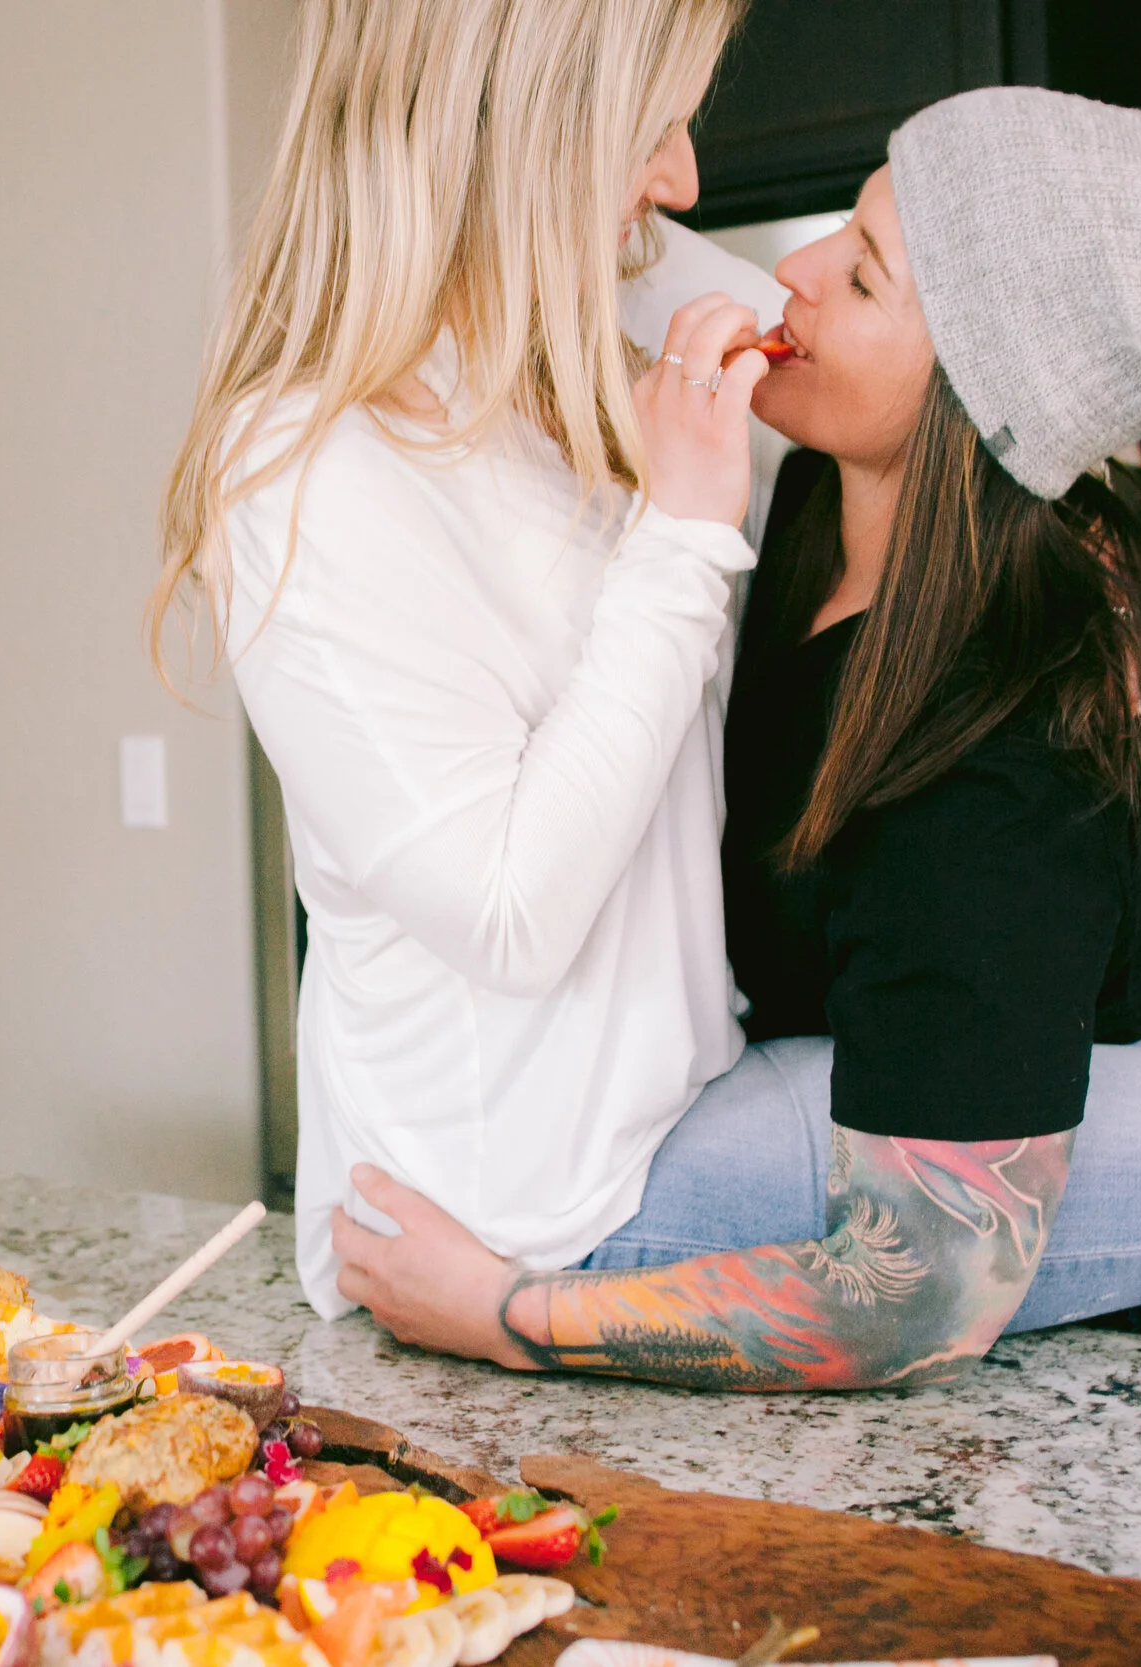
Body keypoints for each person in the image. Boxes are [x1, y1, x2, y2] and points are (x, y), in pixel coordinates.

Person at [329, 87, 1141, 1388]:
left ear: (970, 411)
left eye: (867, 278)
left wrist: (509, 1311)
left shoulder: (994, 765)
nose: (795, 272)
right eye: (846, 225)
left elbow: (915, 1290)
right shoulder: (816, 516)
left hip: (1072, 1331)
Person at [154, 0, 778, 1323]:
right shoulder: (307, 471)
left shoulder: (578, 345)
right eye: (651, 127)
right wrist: (682, 536)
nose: (684, 180)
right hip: (525, 1218)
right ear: (509, 130)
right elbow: (507, 909)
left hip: (678, 1112)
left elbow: (900, 331)